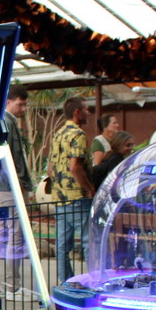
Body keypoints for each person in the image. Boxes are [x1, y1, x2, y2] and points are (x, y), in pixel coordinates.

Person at [0, 84, 33, 297]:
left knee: (0, 235)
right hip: (9, 188)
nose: (23, 109)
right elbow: (12, 159)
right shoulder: (7, 122)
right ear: (9, 102)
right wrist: (21, 184)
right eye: (20, 104)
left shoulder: (2, 121)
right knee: (14, 236)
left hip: (0, 188)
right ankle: (12, 286)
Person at [47, 95, 95, 282]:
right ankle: (95, 281)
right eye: (86, 109)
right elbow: (76, 167)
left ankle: (66, 282)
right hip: (77, 196)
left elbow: (50, 168)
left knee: (61, 245)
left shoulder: (58, 133)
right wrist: (89, 188)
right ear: (77, 112)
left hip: (60, 197)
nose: (89, 113)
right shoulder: (78, 134)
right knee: (89, 241)